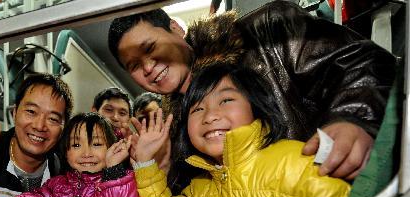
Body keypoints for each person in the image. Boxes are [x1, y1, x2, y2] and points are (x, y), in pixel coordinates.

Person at [108, 1, 396, 182]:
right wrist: (161, 167)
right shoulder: (169, 130)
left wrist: (352, 119)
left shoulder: (268, 32)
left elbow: (360, 61)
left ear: (175, 29)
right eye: (133, 65)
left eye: (150, 48)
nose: (147, 67)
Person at [131, 63, 351, 197]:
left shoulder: (296, 161)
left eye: (226, 100)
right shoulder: (199, 188)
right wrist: (146, 163)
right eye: (197, 109)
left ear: (256, 106)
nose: (210, 116)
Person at [11, 112, 139, 197]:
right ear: (66, 152)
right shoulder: (57, 184)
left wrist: (114, 172)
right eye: (76, 145)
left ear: (113, 148)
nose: (86, 153)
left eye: (96, 144)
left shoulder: (125, 181)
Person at [132, 92, 171, 174]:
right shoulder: (133, 154)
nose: (151, 124)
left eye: (155, 117)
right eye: (143, 120)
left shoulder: (183, 146)